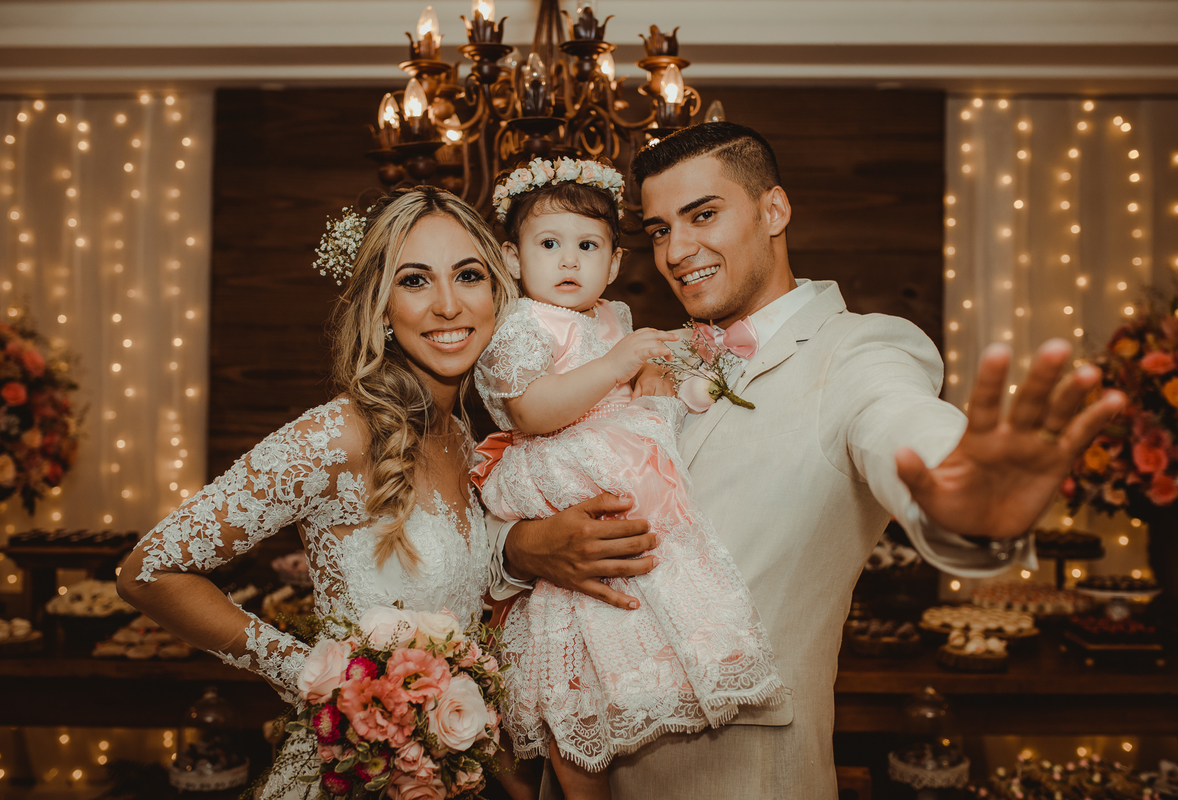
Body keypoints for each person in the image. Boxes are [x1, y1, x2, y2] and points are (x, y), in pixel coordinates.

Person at [488, 123, 1125, 798]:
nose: (676, 251)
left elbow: (899, 421)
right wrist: (522, 549)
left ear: (774, 210)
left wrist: (964, 500)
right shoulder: (641, 352)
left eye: (703, 215)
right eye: (659, 230)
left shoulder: (857, 353)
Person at [117, 186, 519, 799]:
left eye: (468, 275)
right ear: (381, 308)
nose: (447, 304)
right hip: (346, 778)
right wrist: (319, 677)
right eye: (414, 281)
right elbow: (147, 571)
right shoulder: (338, 435)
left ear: (497, 293)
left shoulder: (466, 440)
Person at [471, 158, 787, 800]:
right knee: (571, 649)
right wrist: (618, 366)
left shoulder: (611, 315)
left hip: (627, 463)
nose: (569, 261)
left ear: (614, 264)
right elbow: (532, 410)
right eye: (548, 244)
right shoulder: (522, 325)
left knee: (628, 614)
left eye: (588, 247)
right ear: (512, 257)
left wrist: (652, 376)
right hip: (565, 462)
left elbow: (640, 375)